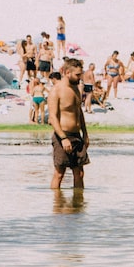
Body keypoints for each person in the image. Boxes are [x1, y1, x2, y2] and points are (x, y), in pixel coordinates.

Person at [50, 58, 89, 189]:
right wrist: (63, 138)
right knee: (59, 174)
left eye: (81, 73)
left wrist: (85, 134)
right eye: (77, 74)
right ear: (67, 72)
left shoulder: (76, 88)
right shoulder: (56, 90)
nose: (80, 77)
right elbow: (53, 118)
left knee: (79, 173)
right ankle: (56, 205)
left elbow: (79, 112)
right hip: (63, 136)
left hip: (77, 135)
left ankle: (78, 205)